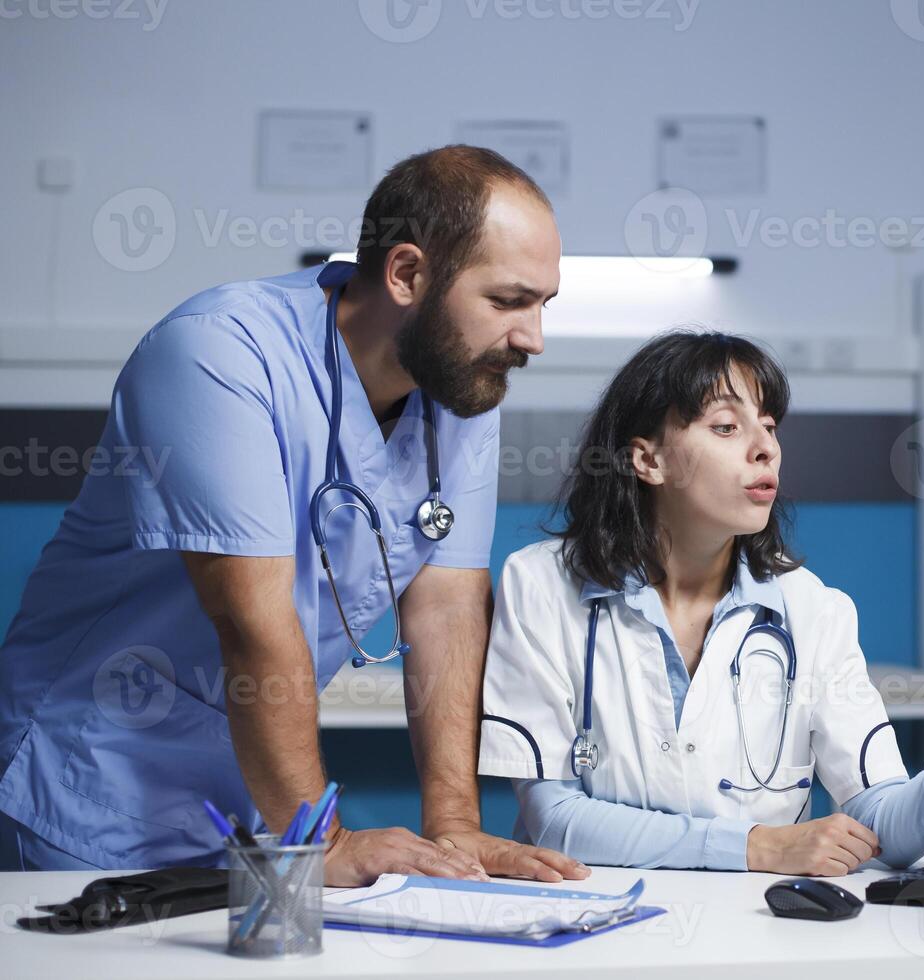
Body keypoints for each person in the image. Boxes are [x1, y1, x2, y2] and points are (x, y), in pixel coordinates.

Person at [0, 145, 586, 886]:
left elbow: (446, 609)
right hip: (93, 774)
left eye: (543, 305)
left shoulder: (458, 385)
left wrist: (455, 823)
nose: (532, 337)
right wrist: (324, 840)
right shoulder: (218, 353)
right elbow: (253, 621)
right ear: (407, 274)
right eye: (508, 301)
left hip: (252, 795)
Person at [477, 330, 924, 874]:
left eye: (769, 426)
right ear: (647, 460)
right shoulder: (540, 586)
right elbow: (554, 820)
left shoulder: (812, 609)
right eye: (726, 426)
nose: (765, 446)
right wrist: (756, 846)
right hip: (598, 936)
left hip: (758, 938)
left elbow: (886, 824)